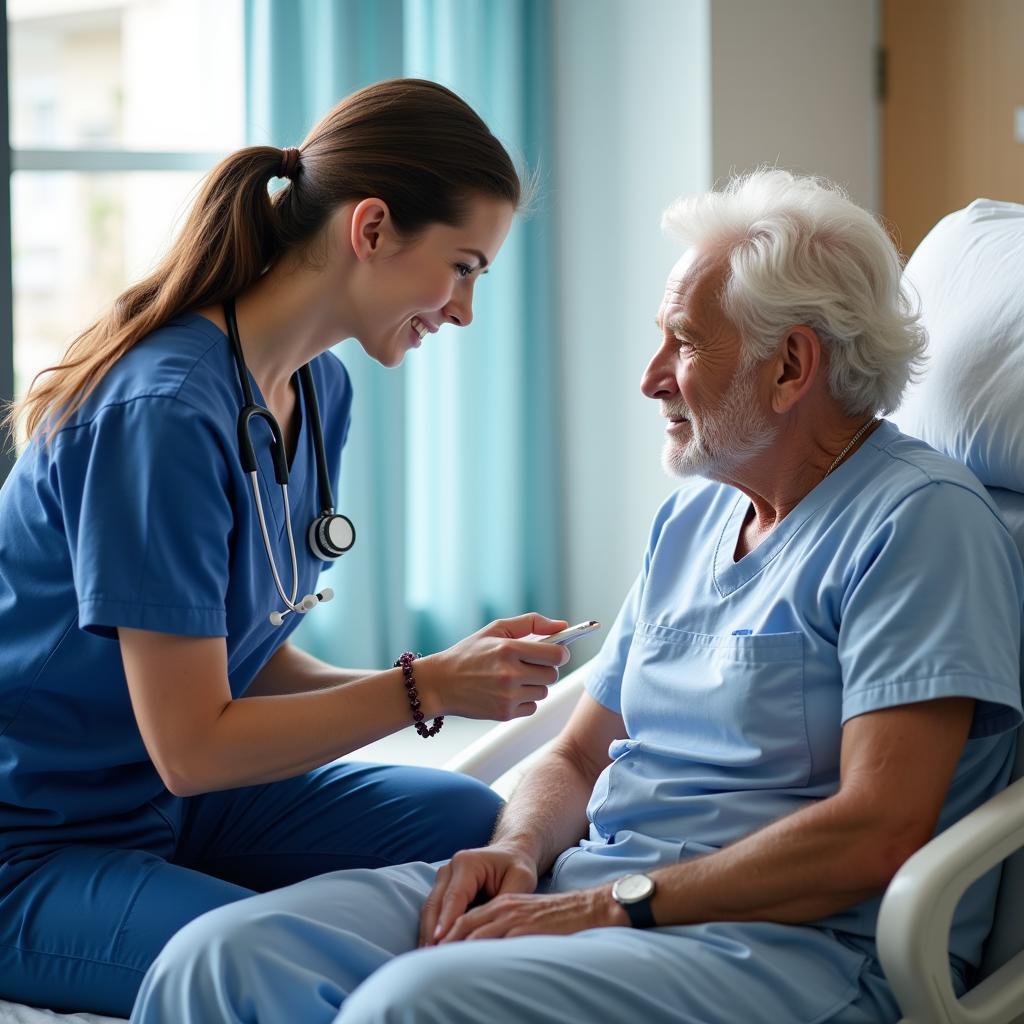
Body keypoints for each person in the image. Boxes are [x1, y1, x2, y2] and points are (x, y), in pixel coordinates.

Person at [130, 169, 1023, 1024]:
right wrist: (517, 850)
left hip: (782, 943)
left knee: (412, 1007)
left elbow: (878, 829)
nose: (650, 376)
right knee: (218, 959)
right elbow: (576, 758)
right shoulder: (693, 520)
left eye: (683, 340)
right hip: (597, 889)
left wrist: (615, 906)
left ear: (791, 366)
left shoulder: (919, 524)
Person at [0, 78, 574, 1019]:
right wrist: (426, 689)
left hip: (171, 805)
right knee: (257, 959)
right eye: (463, 267)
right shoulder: (162, 415)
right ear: (374, 227)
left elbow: (243, 656)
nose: (465, 310)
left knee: (477, 829)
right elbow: (190, 744)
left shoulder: (318, 391)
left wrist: (441, 672)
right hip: (34, 839)